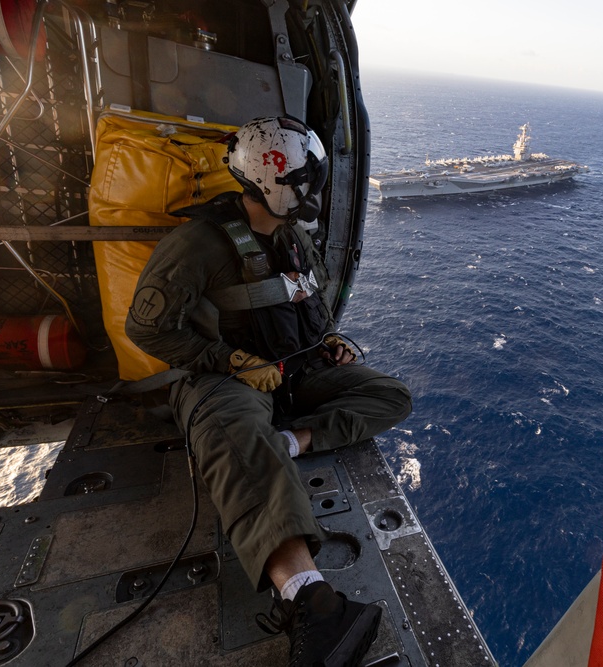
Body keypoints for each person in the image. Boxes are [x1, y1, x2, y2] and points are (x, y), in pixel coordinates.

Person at [124, 116, 412, 666]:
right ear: (274, 182)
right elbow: (147, 328)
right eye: (310, 181)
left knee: (391, 395)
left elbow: (305, 303)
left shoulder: (291, 235)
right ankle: (311, 599)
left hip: (293, 372)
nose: (317, 193)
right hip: (224, 380)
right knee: (231, 432)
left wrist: (329, 343)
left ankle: (292, 442)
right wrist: (229, 359)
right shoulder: (198, 245)